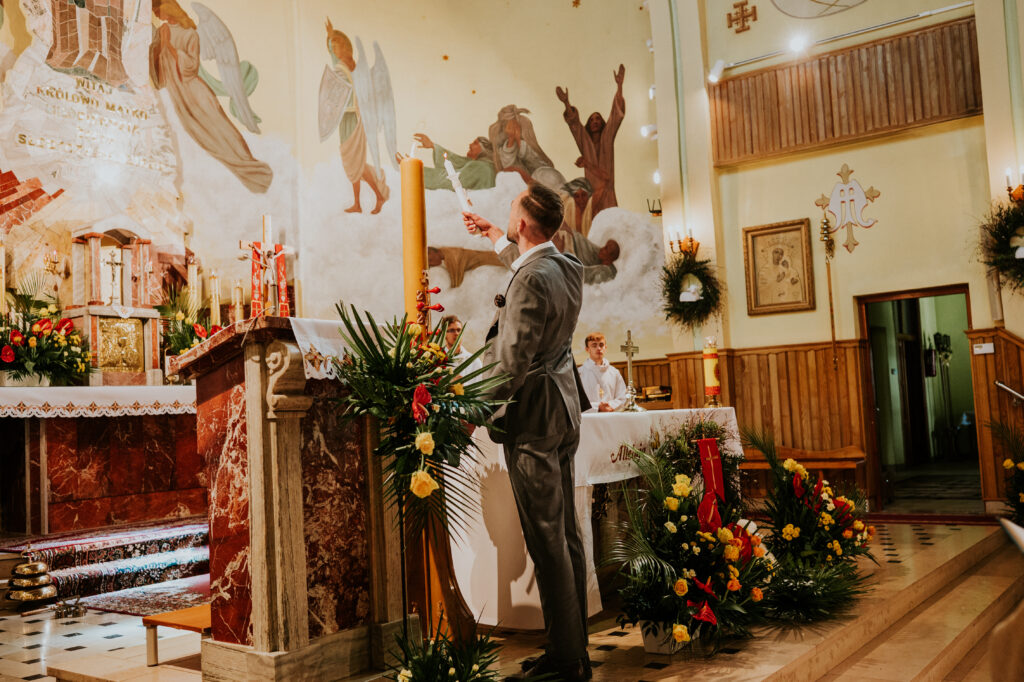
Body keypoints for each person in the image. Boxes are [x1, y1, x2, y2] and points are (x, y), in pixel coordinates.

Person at [463, 183, 592, 681]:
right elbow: (529, 267)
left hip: (534, 416)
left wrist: (471, 412)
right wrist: (494, 235)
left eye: (511, 211)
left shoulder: (532, 278)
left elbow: (511, 362)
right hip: (563, 408)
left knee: (546, 538)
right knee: (566, 535)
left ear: (522, 224)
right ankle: (574, 648)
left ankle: (565, 660)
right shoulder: (566, 265)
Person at [556, 65, 625, 215]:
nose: (595, 121)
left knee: (612, 223)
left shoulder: (607, 138)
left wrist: (619, 86)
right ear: (588, 124)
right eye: (592, 119)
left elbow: (616, 115)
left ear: (602, 123)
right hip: (593, 198)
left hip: (608, 194)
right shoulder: (585, 143)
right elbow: (575, 125)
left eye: (598, 118)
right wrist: (566, 102)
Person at [578, 332, 627, 412]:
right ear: (587, 349)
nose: (598, 348)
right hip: (589, 416)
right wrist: (597, 407)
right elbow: (576, 400)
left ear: (605, 348)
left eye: (601, 345)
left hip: (611, 415)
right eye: (594, 345)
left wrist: (610, 406)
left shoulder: (614, 372)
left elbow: (622, 397)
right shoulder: (579, 373)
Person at [439, 314, 483, 378]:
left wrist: (462, 382)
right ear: (444, 334)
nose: (456, 333)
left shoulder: (474, 361)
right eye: (452, 330)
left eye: (459, 330)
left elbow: (480, 383)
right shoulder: (436, 361)